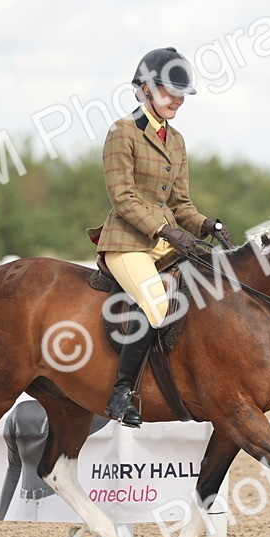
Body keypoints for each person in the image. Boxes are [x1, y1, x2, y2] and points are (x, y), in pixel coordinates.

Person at [87, 46, 231, 427]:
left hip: (167, 241)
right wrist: (167, 230)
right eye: (170, 92)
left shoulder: (177, 140)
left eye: (181, 95)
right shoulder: (122, 132)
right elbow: (123, 198)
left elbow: (181, 203)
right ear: (146, 89)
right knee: (156, 304)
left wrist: (206, 227)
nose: (178, 101)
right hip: (128, 242)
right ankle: (120, 394)